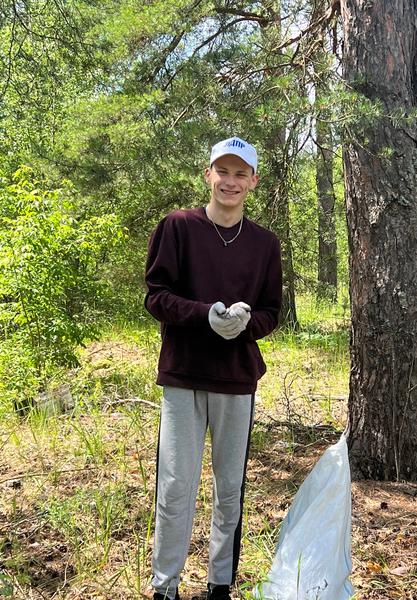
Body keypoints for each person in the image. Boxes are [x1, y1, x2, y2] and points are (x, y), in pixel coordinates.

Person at [145, 137, 282, 600]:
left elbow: (271, 311)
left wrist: (244, 324)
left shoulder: (265, 243)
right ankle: (165, 587)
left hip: (236, 380)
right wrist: (205, 314)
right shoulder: (177, 227)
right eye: (223, 171)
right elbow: (155, 296)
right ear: (208, 174)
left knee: (230, 491)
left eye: (241, 174)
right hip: (183, 375)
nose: (231, 181)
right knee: (175, 488)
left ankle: (219, 586)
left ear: (253, 182)